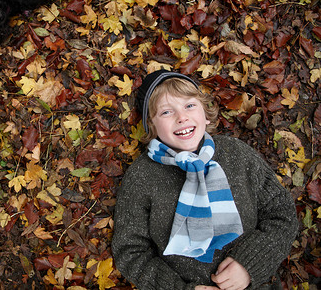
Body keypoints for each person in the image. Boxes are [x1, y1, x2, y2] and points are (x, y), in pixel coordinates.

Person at [112, 70, 298, 289]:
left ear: (205, 113)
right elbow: (130, 251)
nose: (182, 117)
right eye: (166, 112)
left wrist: (249, 264)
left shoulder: (237, 154)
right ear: (151, 126)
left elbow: (281, 212)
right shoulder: (142, 176)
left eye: (189, 106)